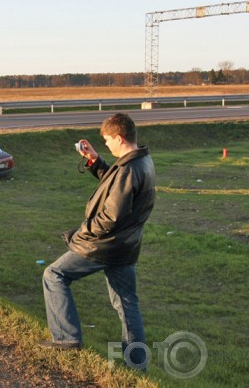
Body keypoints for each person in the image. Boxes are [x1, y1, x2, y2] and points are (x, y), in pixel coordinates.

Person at [40, 113, 156, 371]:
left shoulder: (128, 168)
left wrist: (81, 233)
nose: (106, 145)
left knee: (54, 274)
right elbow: (117, 188)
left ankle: (66, 338)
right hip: (126, 246)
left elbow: (111, 216)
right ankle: (137, 367)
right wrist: (94, 160)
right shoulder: (141, 161)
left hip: (105, 245)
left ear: (120, 137)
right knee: (127, 303)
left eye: (107, 141)